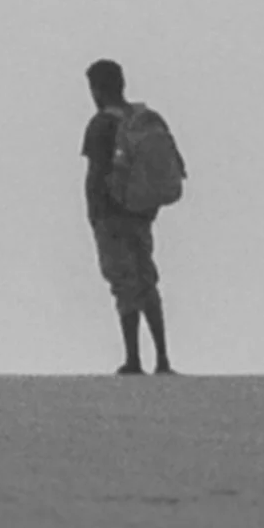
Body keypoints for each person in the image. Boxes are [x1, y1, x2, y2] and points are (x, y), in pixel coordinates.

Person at [81, 58, 173, 376]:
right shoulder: (140, 120)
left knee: (123, 283)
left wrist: (94, 214)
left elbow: (95, 173)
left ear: (96, 89)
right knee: (147, 280)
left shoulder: (101, 124)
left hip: (110, 215)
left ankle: (133, 359)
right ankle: (162, 358)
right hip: (141, 213)